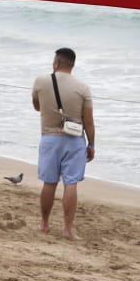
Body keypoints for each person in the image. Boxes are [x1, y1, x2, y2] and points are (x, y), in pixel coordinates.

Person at [31, 47, 95, 240]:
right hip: (74, 140)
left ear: (56, 63)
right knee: (71, 184)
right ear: (72, 65)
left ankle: (44, 224)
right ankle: (67, 229)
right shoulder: (83, 88)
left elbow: (36, 106)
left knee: (49, 183)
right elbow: (89, 121)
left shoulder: (41, 81)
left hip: (50, 138)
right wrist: (91, 144)